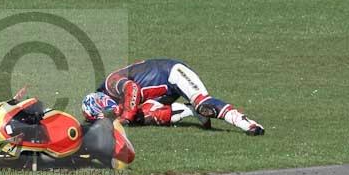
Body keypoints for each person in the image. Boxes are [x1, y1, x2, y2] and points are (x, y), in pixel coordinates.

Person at [81, 58, 265, 135]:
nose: (108, 116)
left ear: (100, 102)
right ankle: (189, 111)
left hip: (173, 73)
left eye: (104, 114)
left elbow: (132, 88)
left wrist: (125, 117)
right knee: (142, 117)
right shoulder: (112, 99)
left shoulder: (110, 82)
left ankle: (248, 124)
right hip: (162, 92)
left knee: (204, 105)